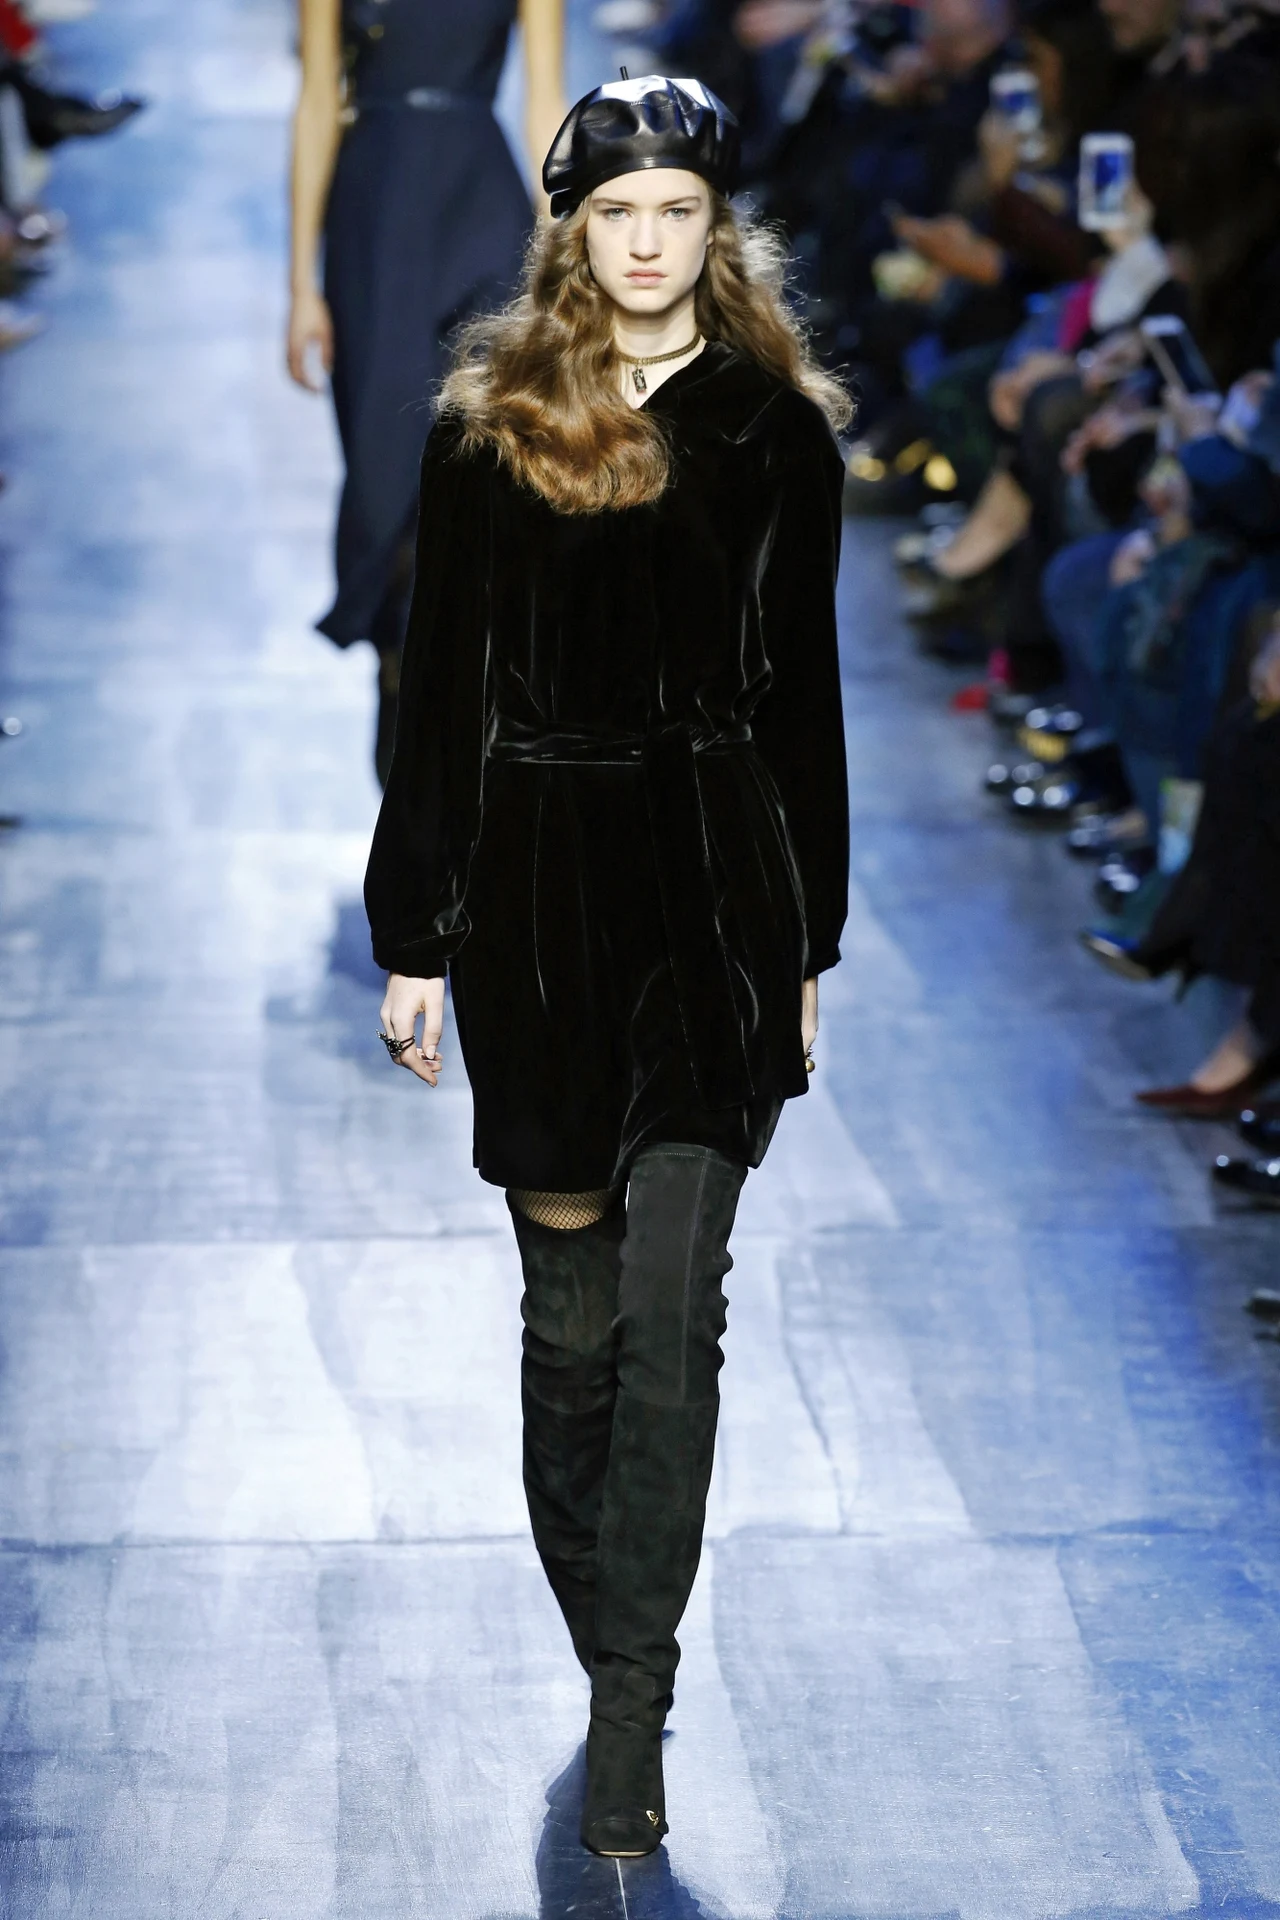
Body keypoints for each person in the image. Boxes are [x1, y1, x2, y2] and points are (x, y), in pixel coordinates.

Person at [364, 75, 850, 1857]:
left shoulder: (776, 435)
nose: (648, 245)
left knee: (676, 1322)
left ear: (720, 235)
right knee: (572, 1340)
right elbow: (440, 696)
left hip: (714, 891)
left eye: (679, 216)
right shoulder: (490, 426)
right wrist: (415, 937)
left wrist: (811, 943)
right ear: (574, 231)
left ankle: (633, 1704)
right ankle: (609, 1641)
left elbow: (805, 703)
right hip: (539, 904)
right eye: (619, 215)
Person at [286, 0, 565, 782]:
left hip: (483, 208)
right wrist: (301, 284)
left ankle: (461, 697)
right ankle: (398, 659)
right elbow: (317, 102)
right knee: (385, 466)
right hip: (374, 210)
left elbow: (545, 101)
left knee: (485, 465)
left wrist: (562, 261)